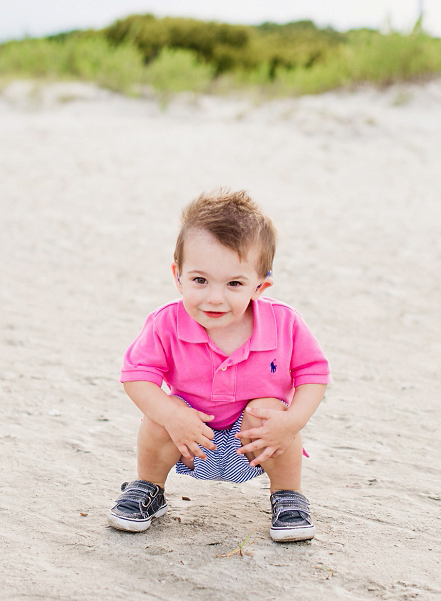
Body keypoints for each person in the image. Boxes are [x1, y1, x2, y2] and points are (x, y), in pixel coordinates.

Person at [108, 189, 330, 542]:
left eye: (234, 284)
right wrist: (172, 416)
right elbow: (137, 376)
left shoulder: (284, 323)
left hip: (256, 443)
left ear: (260, 286)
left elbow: (313, 374)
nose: (214, 297)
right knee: (163, 412)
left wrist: (293, 421)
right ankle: (149, 487)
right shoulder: (167, 322)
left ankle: (288, 495)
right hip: (191, 438)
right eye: (199, 280)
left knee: (271, 410)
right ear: (177, 275)